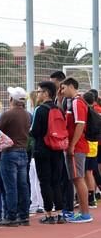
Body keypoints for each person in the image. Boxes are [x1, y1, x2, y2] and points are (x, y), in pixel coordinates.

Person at [30, 81, 66, 224]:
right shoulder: (59, 109)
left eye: (39, 92)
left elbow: (34, 131)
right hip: (57, 149)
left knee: (45, 181)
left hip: (42, 149)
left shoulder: (40, 110)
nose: (38, 94)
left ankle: (49, 213)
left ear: (45, 93)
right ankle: (59, 213)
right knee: (56, 181)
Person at [0, 87, 32, 226]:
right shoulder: (27, 115)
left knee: (10, 185)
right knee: (23, 184)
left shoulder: (8, 115)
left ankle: (11, 216)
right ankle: (24, 215)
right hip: (23, 151)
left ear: (12, 99)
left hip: (9, 152)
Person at [60, 78, 93, 223]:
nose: (61, 91)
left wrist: (72, 145)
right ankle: (83, 212)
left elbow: (80, 124)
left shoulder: (76, 102)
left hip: (77, 147)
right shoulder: (74, 102)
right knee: (77, 178)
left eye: (63, 88)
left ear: (71, 86)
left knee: (78, 178)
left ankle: (85, 213)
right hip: (78, 145)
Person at [50, 71, 75, 216]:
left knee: (67, 176)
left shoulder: (68, 100)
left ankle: (68, 206)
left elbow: (63, 118)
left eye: (54, 83)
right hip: (59, 142)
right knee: (61, 175)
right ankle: (64, 205)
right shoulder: (59, 98)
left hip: (65, 141)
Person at [82, 91, 99, 209]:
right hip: (94, 145)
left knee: (83, 173)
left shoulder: (86, 113)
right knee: (89, 172)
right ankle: (91, 198)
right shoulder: (97, 114)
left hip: (86, 145)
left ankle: (85, 197)